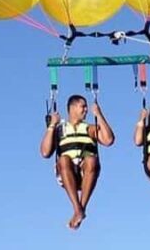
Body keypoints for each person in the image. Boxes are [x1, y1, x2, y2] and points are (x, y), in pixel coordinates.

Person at [40, 94, 115, 230]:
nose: (86, 110)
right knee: (63, 159)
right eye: (83, 106)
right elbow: (45, 152)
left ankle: (80, 209)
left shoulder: (89, 128)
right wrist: (51, 125)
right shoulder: (59, 129)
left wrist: (99, 114)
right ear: (72, 108)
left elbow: (109, 140)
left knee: (92, 159)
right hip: (66, 172)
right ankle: (77, 208)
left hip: (86, 171)